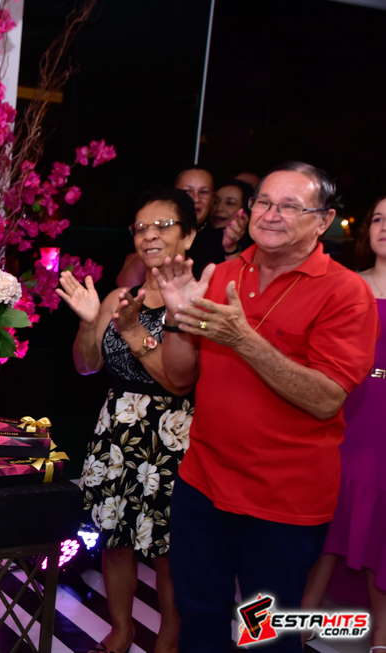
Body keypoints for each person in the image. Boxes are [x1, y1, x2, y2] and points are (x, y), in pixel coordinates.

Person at [155, 162, 380, 652]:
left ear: (323, 220)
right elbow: (180, 377)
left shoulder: (346, 292)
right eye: (264, 202)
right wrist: (176, 316)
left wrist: (243, 339)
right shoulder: (223, 273)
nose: (271, 214)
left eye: (290, 206)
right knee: (198, 618)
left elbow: (326, 399)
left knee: (267, 638)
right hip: (203, 485)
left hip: (283, 502)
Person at [58, 187, 198, 653]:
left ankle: (169, 642)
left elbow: (180, 381)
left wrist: (136, 333)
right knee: (115, 539)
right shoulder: (121, 296)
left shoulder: (195, 301)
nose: (149, 235)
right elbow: (86, 365)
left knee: (167, 552)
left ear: (189, 236)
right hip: (117, 431)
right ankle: (122, 631)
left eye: (163, 226)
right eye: (141, 228)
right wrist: (87, 322)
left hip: (172, 436)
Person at [301, 195, 386, 649]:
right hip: (344, 414)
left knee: (380, 531)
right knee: (328, 522)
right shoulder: (347, 285)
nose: (384, 227)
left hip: (383, 426)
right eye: (378, 219)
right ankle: (295, 626)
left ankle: (382, 638)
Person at [116, 169, 244, 287]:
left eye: (204, 192)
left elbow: (237, 287)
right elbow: (126, 285)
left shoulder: (220, 237)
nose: (195, 199)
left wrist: (231, 247)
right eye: (187, 191)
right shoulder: (147, 233)